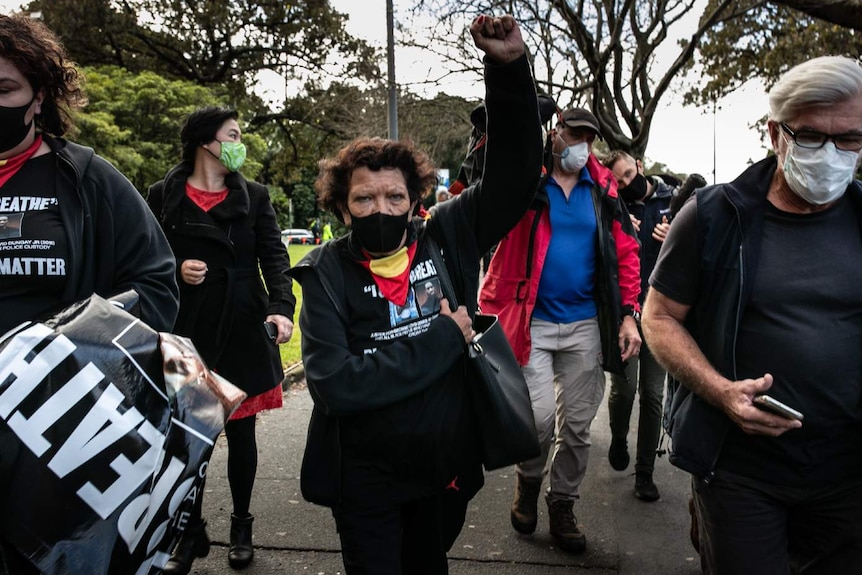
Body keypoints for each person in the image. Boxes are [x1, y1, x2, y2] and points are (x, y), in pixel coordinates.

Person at [288, 14, 542, 574]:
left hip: (442, 472)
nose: (381, 210)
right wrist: (444, 340)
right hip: (364, 481)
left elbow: (516, 173)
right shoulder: (325, 273)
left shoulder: (449, 233)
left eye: (394, 198)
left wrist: (507, 71)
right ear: (341, 206)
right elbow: (336, 386)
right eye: (364, 200)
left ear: (415, 199)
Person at [642, 55, 862, 575]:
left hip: (847, 476)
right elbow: (659, 318)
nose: (831, 154)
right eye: (810, 136)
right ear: (774, 134)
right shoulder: (714, 215)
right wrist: (720, 390)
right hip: (741, 473)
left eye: (850, 139)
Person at [0, 13, 179, 572]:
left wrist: (70, 340)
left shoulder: (88, 179)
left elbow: (156, 286)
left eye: (4, 89)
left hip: (53, 436)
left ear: (39, 98)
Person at [479, 107, 641, 554]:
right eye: (573, 135)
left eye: (588, 138)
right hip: (531, 320)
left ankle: (562, 503)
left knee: (578, 427)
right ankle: (529, 481)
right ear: (555, 135)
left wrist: (629, 314)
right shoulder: (527, 181)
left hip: (585, 324)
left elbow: (626, 253)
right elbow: (485, 181)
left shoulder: (602, 187)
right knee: (538, 420)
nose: (581, 145)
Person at [147, 106, 296, 574]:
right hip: (186, 332)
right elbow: (145, 256)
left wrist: (280, 309)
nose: (239, 143)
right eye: (232, 135)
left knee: (241, 433)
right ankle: (188, 532)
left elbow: (275, 257)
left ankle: (241, 525)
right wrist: (176, 267)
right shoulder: (162, 195)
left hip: (243, 324)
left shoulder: (254, 195)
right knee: (188, 440)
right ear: (205, 142)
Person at [601, 150, 674, 502]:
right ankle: (618, 436)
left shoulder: (674, 203)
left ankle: (645, 472)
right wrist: (616, 230)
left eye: (631, 174)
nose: (629, 183)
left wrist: (675, 234)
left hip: (661, 316)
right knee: (624, 390)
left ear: (641, 166)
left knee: (654, 395)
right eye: (621, 181)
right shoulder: (612, 207)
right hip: (626, 315)